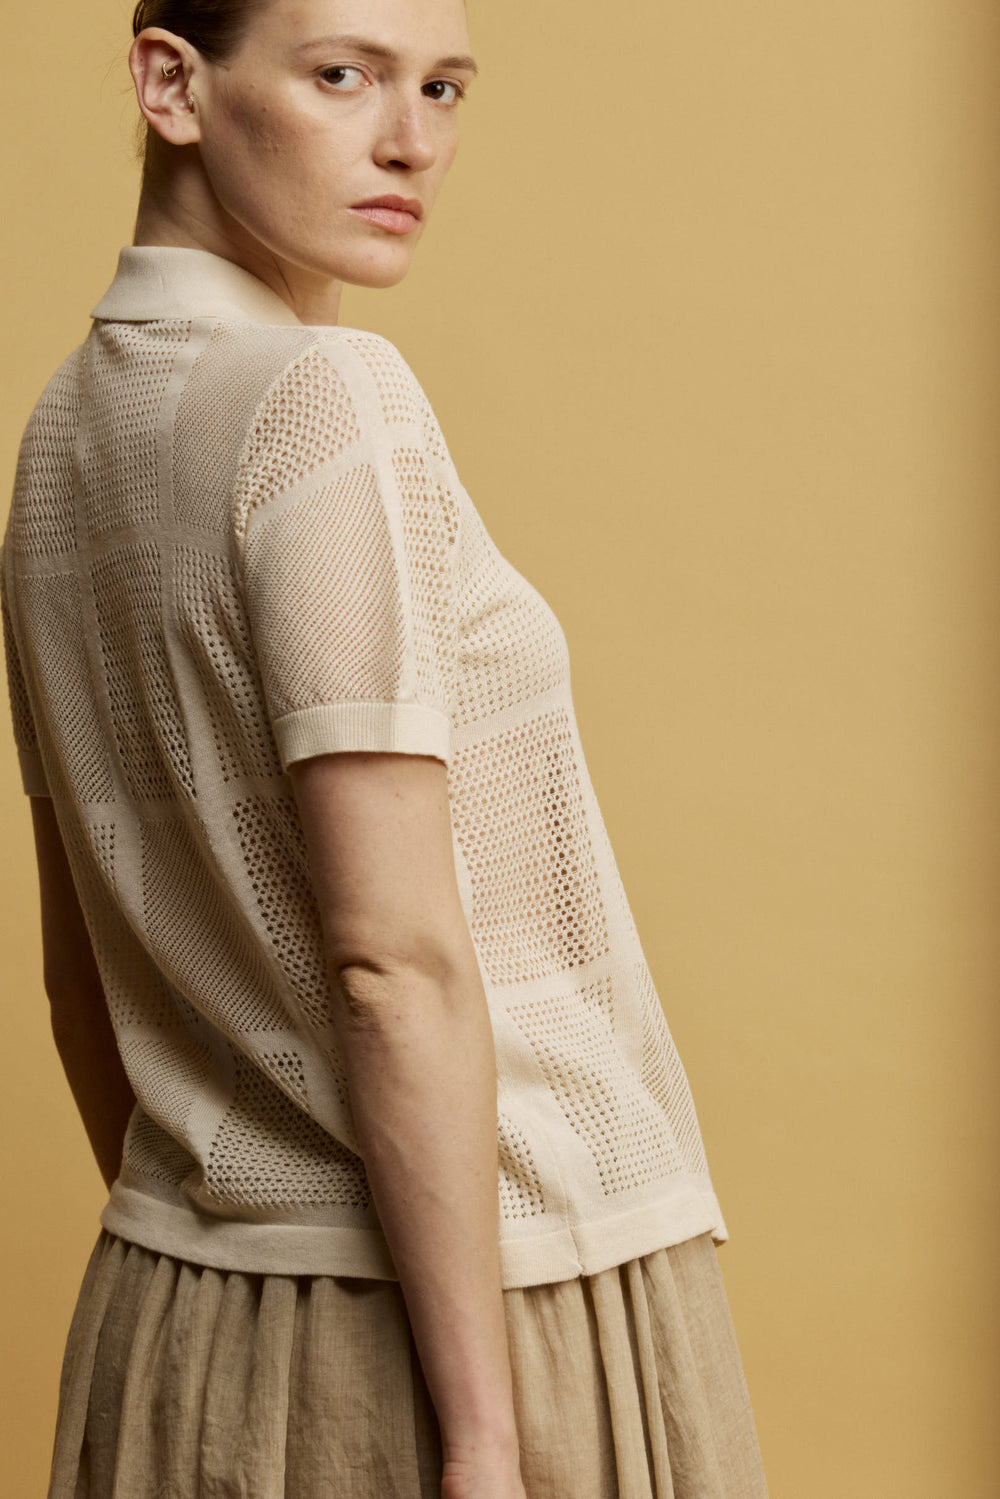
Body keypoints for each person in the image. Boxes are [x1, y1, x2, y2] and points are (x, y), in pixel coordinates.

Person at [0, 1, 770, 1495]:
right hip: (485, 1295)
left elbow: (77, 965)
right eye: (343, 77)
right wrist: (481, 1440)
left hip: (177, 1305)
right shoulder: (326, 397)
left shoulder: (61, 440)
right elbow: (390, 964)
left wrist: (218, 1226)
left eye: (445, 87)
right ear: (171, 84)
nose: (411, 142)